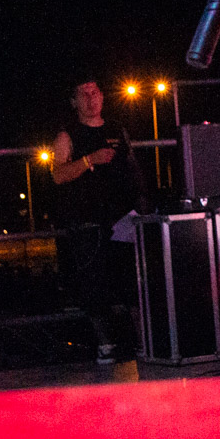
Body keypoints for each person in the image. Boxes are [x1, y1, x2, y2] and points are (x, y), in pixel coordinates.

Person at [50, 78, 144, 380]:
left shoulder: (116, 130)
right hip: (87, 222)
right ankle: (106, 344)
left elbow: (132, 166)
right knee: (94, 287)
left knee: (131, 284)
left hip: (122, 219)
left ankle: (138, 343)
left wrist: (141, 201)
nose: (91, 99)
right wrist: (89, 160)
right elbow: (58, 175)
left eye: (95, 93)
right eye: (84, 94)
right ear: (74, 102)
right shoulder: (68, 135)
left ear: (102, 97)